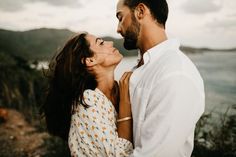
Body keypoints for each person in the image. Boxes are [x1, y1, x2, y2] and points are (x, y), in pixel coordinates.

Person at [116, 0, 205, 156]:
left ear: (140, 11)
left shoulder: (175, 73)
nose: (118, 29)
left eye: (120, 17)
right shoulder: (143, 69)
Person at [41, 32, 134, 156]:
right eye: (101, 43)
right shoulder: (87, 101)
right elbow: (118, 154)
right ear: (90, 60)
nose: (110, 42)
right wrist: (125, 104)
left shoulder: (117, 90)